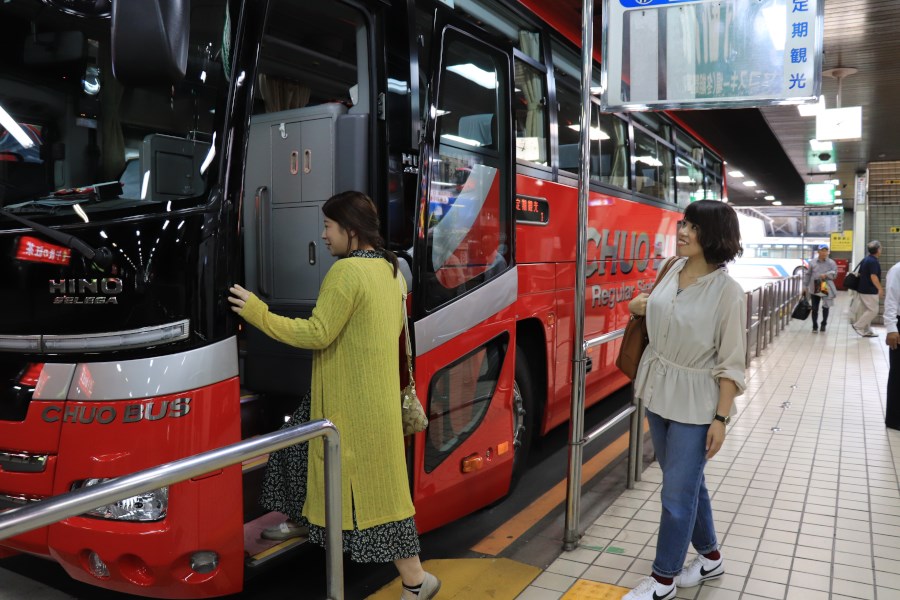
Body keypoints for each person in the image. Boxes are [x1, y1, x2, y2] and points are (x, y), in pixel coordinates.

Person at [228, 191, 441, 600]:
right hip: (371, 400)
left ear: (350, 229)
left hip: (350, 406)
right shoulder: (390, 269)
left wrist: (257, 312)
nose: (323, 235)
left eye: (328, 226)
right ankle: (304, 517)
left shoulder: (346, 273)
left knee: (378, 502)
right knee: (295, 451)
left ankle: (416, 581)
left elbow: (317, 333)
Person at [623, 200, 746, 600]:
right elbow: (656, 311)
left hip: (696, 404)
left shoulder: (727, 293)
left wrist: (720, 420)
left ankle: (664, 580)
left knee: (676, 493)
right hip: (658, 392)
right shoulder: (671, 268)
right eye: (683, 223)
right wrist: (637, 306)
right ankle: (710, 557)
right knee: (687, 483)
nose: (682, 231)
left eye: (693, 227)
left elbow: (731, 364)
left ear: (715, 236)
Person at [802, 244, 838, 332]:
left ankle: (824, 323)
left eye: (826, 251)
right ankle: (814, 326)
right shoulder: (812, 262)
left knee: (826, 306)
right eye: (822, 250)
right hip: (815, 285)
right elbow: (808, 274)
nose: (824, 253)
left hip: (825, 285)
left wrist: (826, 275)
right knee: (814, 308)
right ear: (818, 252)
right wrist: (804, 286)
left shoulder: (831, 263)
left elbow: (835, 274)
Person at [853, 240, 883, 337]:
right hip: (869, 290)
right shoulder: (873, 261)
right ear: (878, 250)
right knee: (873, 310)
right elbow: (873, 276)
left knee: (868, 310)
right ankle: (858, 326)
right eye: (880, 248)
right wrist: (880, 288)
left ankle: (867, 330)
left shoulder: (866, 259)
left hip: (863, 288)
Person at [884, 261, 900, 429]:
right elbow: (891, 300)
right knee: (898, 372)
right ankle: (895, 419)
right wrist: (891, 328)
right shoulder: (897, 270)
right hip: (898, 325)